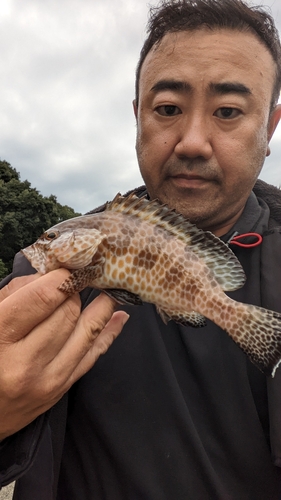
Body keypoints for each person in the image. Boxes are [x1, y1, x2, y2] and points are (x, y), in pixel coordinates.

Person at [1, 0, 281, 498]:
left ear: (270, 129)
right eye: (168, 108)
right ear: (138, 118)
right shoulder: (35, 285)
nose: (193, 141)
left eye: (229, 112)